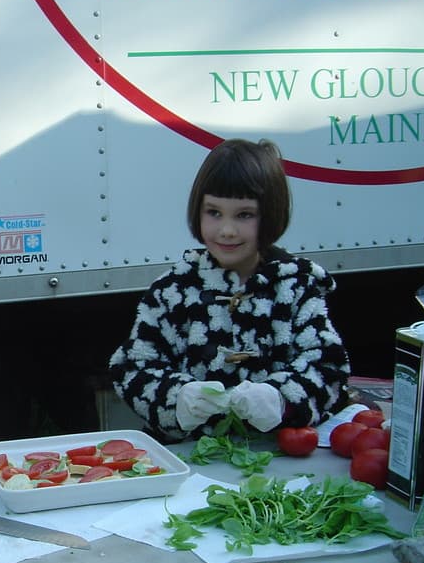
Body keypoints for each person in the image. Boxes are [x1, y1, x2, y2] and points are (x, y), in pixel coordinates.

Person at [108, 138, 350, 443]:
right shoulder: (171, 292)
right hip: (189, 462)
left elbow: (327, 366)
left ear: (271, 215)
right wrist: (175, 398)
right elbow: (133, 367)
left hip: (277, 463)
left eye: (244, 215)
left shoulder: (298, 288)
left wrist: (281, 401)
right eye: (214, 212)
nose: (227, 230)